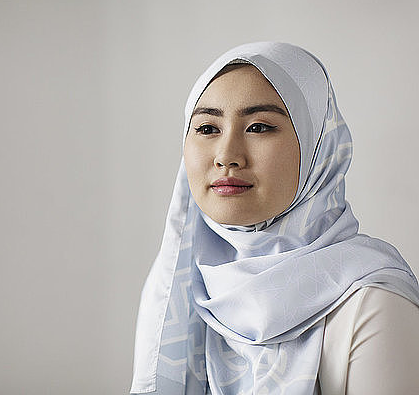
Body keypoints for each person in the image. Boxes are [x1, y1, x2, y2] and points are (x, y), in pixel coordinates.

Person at [129, 42, 419, 395]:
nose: (226, 156)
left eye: (259, 127)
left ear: (318, 146)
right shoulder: (180, 287)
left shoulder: (371, 304)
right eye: (207, 128)